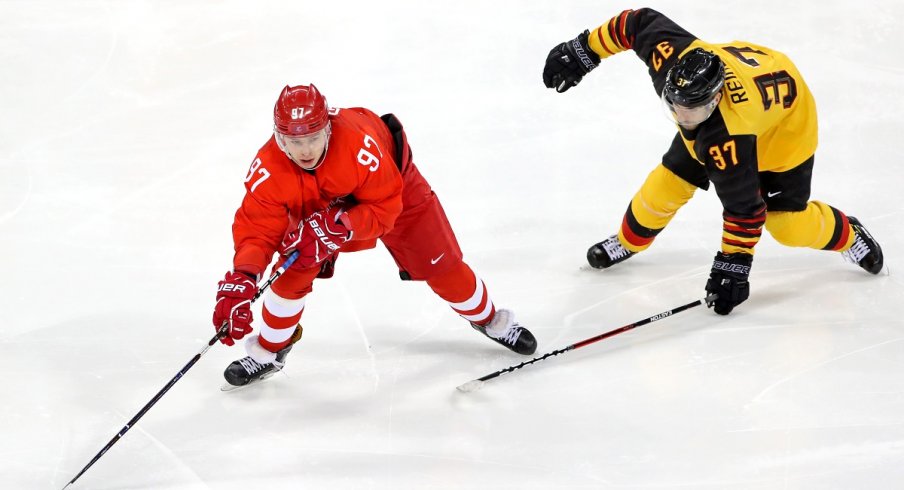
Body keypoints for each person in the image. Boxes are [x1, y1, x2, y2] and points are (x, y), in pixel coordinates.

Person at [542, 8, 884, 315]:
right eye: (676, 107)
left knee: (786, 225)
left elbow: (745, 210)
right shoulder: (677, 66)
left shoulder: (725, 137)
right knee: (666, 184)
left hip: (786, 130)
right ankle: (628, 240)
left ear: (716, 97)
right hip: (756, 84)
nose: (682, 116)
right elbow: (637, 23)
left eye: (692, 110)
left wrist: (732, 266)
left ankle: (847, 233)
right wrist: (584, 49)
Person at [212, 84, 537, 388]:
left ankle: (490, 319)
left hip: (393, 189)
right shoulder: (269, 168)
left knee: (442, 266)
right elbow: (257, 228)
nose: (305, 150)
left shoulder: (358, 145)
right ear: (280, 138)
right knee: (291, 272)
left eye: (312, 137)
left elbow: (386, 208)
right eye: (295, 142)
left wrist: (343, 223)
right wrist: (244, 275)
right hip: (319, 204)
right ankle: (269, 351)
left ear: (327, 128)